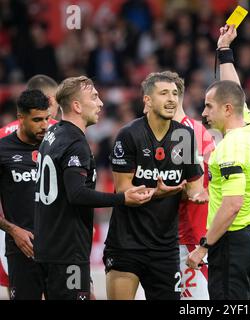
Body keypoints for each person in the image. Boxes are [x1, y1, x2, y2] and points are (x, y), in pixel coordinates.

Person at [34, 76, 154, 300]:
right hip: (67, 250)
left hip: (48, 246)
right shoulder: (75, 143)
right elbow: (76, 193)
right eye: (94, 97)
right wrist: (122, 199)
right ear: (77, 106)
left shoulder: (52, 134)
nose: (100, 103)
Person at [104, 72, 208, 300]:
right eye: (163, 93)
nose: (171, 99)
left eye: (174, 94)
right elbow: (123, 190)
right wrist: (158, 194)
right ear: (147, 100)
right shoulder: (129, 135)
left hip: (165, 248)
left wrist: (201, 193)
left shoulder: (185, 136)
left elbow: (193, 189)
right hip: (127, 243)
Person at [187, 24, 250, 300]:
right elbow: (234, 89)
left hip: (231, 243)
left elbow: (233, 204)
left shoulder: (229, 148)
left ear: (227, 109)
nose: (204, 112)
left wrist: (203, 247)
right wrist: (224, 50)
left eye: (209, 106)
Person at [157, 71, 215, 300]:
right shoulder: (200, 131)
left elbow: (201, 188)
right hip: (177, 237)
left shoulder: (184, 134)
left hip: (187, 238)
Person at [0, 75, 59, 296]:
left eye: (47, 119)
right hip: (21, 249)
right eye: (37, 120)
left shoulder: (59, 144)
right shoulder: (2, 149)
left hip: (60, 247)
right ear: (20, 118)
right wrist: (13, 230)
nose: (45, 126)